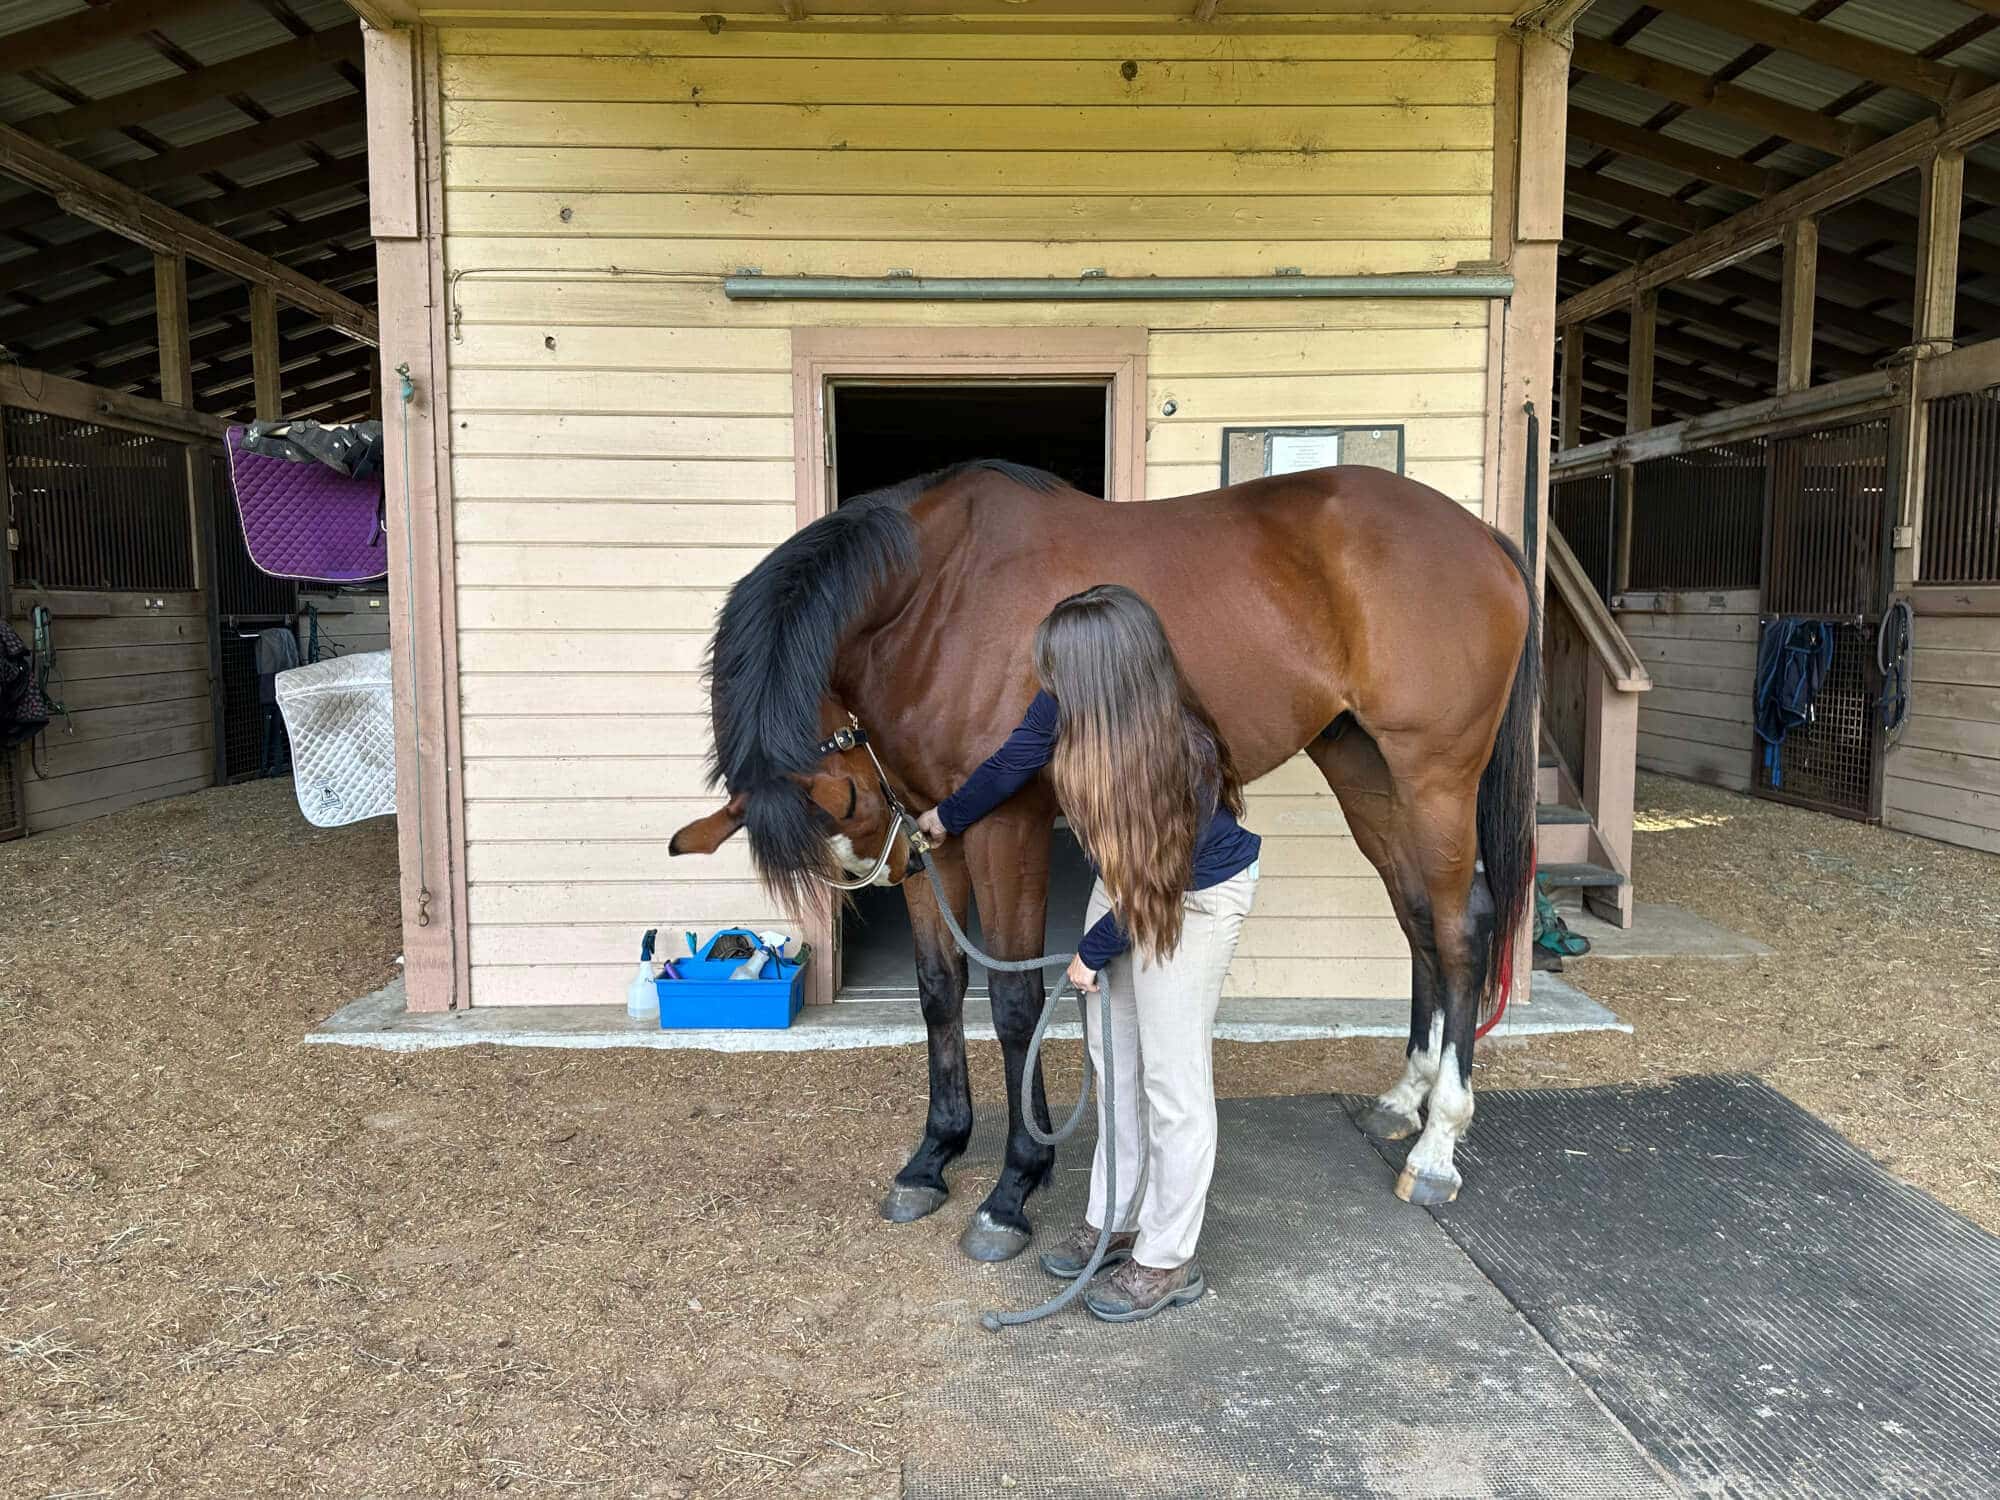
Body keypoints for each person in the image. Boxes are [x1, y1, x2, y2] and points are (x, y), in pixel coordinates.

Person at [915, 584, 1260, 1324]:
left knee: (1172, 1080)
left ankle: (1167, 1260)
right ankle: (1118, 1219)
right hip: (1129, 878)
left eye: (1055, 670)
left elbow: (1159, 885)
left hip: (1185, 897)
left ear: (1101, 674)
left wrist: (1091, 954)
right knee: (1115, 1064)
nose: (1045, 683)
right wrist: (947, 815)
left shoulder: (1180, 752)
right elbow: (1014, 762)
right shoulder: (1067, 709)